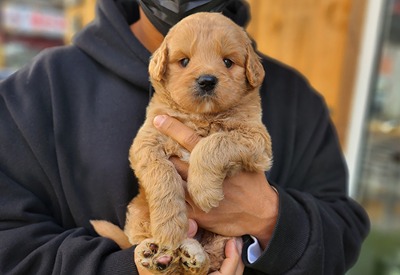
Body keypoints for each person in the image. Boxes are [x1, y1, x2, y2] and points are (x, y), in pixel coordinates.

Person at [0, 0, 370, 274]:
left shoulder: (295, 97)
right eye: (185, 61)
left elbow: (344, 233)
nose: (207, 73)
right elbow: (9, 243)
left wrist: (272, 219)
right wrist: (124, 268)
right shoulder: (36, 91)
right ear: (163, 65)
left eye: (228, 62)